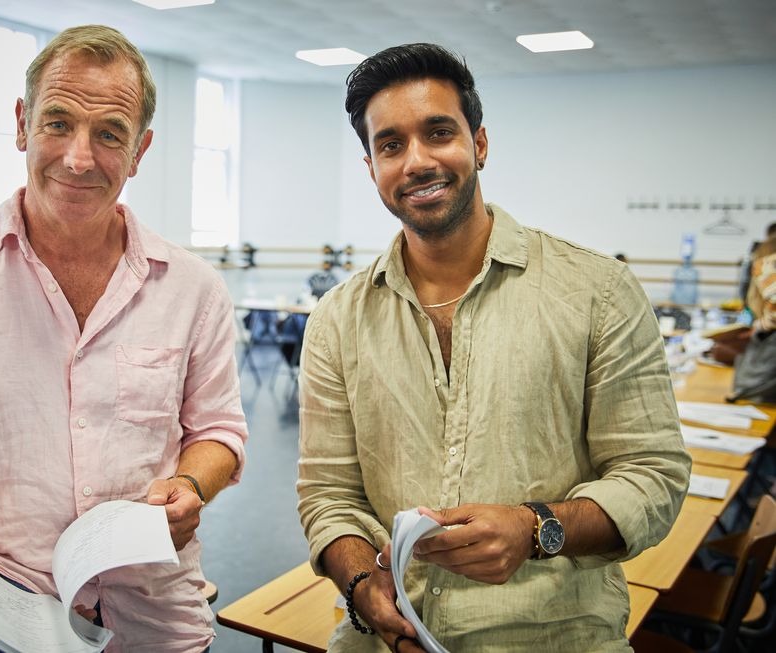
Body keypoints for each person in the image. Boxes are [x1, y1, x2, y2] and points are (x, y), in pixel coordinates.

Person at [296, 43, 690, 652]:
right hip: (386, 641)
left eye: (439, 132)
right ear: (371, 166)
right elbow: (328, 495)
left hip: (556, 637)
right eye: (391, 145)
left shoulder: (597, 293)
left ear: (479, 143)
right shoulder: (336, 319)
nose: (417, 161)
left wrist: (538, 528)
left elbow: (653, 476)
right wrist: (360, 582)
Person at [0, 25, 247, 653]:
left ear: (139, 150)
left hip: (151, 609)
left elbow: (218, 431)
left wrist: (193, 485)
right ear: (22, 124)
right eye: (57, 123)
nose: (79, 157)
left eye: (109, 134)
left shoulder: (193, 288)